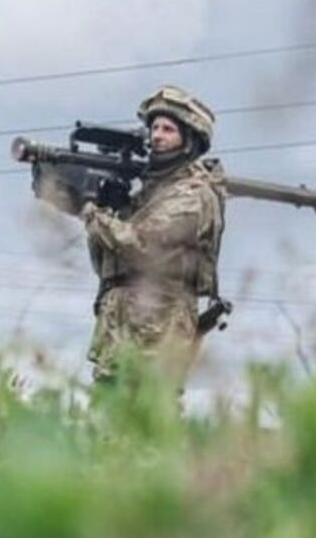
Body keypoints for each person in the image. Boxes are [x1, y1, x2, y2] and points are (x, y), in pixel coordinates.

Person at [80, 85, 226, 387]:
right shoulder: (145, 197)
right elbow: (107, 263)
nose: (156, 136)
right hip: (118, 329)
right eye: (154, 127)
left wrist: (92, 213)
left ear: (190, 141)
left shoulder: (195, 194)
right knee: (104, 422)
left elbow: (143, 245)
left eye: (168, 129)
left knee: (152, 421)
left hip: (159, 330)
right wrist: (102, 204)